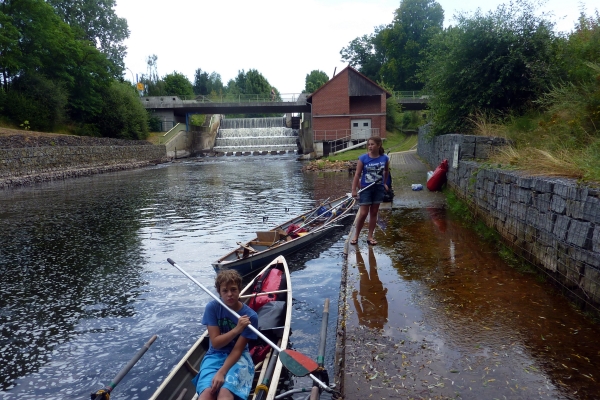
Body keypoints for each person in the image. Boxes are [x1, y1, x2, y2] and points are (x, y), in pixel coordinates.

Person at [192, 270, 259, 400]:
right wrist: (236, 330)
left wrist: (221, 372)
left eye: (233, 289)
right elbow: (216, 343)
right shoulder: (212, 308)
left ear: (239, 289)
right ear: (219, 292)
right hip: (215, 355)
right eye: (225, 291)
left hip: (239, 357)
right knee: (207, 394)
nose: (229, 294)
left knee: (225, 393)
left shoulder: (251, 316)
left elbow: (238, 349)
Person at [350, 136, 390, 246]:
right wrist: (354, 189)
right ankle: (356, 236)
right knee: (363, 213)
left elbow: (386, 171)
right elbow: (357, 175)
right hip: (366, 188)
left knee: (374, 212)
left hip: (378, 189)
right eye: (368, 144)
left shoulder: (385, 158)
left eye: (372, 144)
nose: (370, 146)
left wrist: (385, 183)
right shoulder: (363, 158)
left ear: (378, 145)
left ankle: (370, 236)